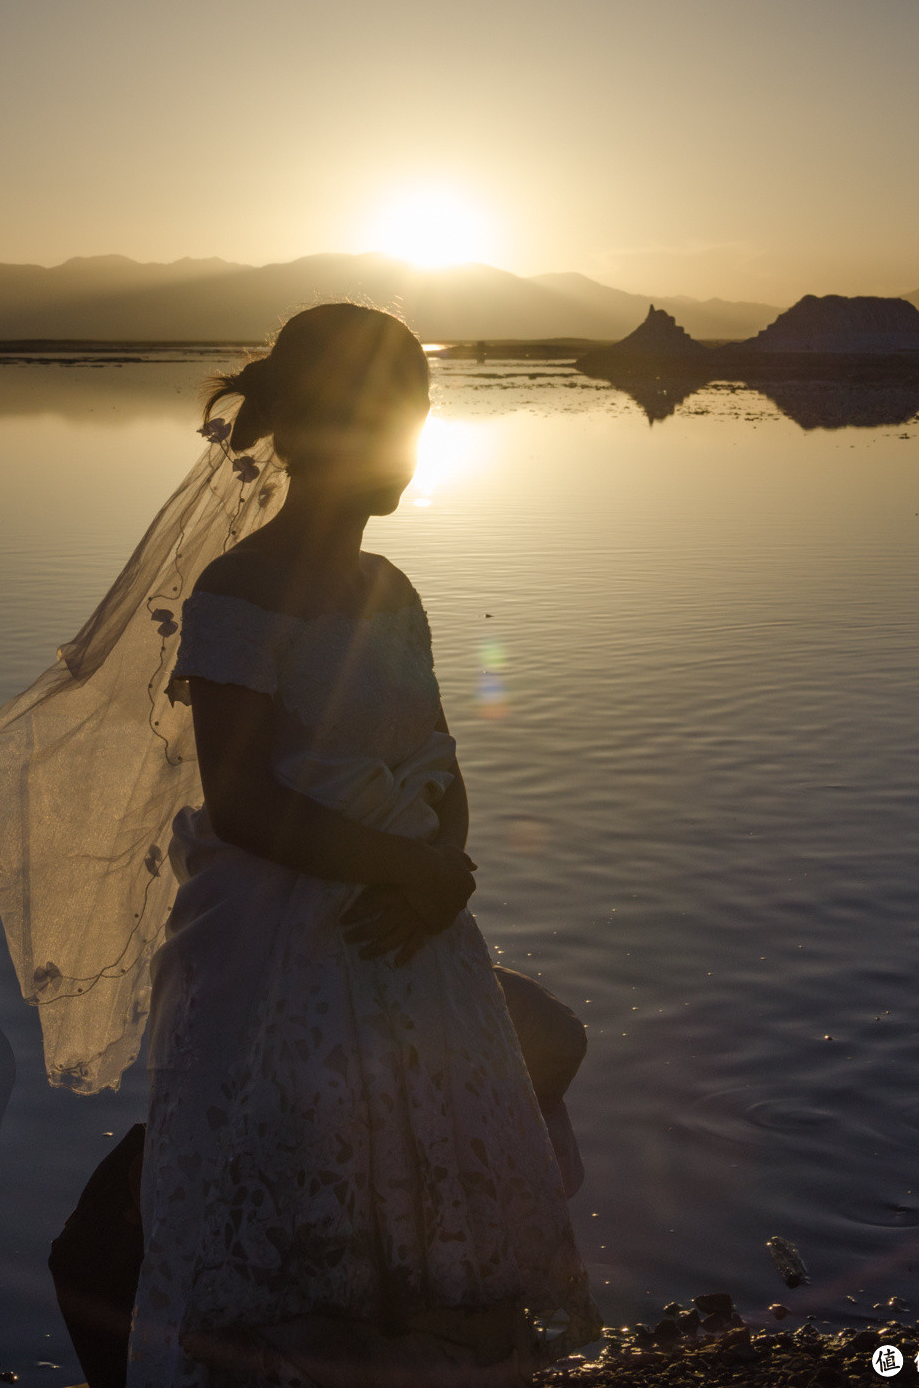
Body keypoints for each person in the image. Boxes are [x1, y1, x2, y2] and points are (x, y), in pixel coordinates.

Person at [119, 304, 604, 1387]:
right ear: (323, 428)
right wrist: (414, 871)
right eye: (392, 418)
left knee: (432, 1203)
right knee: (301, 1212)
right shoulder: (235, 594)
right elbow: (243, 804)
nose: (410, 446)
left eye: (420, 418)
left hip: (414, 936)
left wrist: (448, 872)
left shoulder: (394, 592)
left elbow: (440, 765)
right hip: (278, 948)